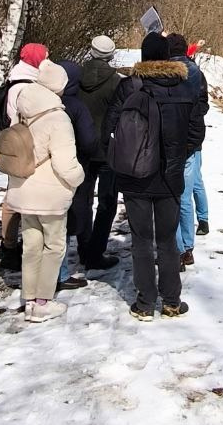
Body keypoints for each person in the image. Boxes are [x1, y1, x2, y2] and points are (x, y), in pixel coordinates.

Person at [102, 32, 204, 321]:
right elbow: (197, 133)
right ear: (168, 57)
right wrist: (179, 155)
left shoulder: (129, 86)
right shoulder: (185, 87)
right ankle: (171, 301)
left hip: (135, 175)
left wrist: (121, 159)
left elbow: (109, 130)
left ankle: (145, 303)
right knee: (168, 240)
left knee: (141, 239)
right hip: (171, 177)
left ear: (144, 56)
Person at [6, 59, 86, 323]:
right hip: (49, 194)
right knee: (53, 247)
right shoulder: (57, 117)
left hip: (23, 188)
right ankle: (43, 302)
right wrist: (78, 178)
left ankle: (29, 300)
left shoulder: (23, 108)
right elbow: (65, 163)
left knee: (30, 246)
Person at [0, 43, 49, 270]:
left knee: (15, 196)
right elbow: (23, 116)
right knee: (16, 199)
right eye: (45, 56)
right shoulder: (25, 86)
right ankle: (11, 247)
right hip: (24, 146)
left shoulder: (16, 79)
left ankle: (10, 245)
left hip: (16, 144)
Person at [76, 35, 123, 271]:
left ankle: (84, 248)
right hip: (107, 150)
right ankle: (96, 251)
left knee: (82, 199)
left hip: (81, 146)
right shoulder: (116, 82)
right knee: (107, 201)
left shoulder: (76, 77)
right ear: (110, 55)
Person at [166, 32, 210, 266]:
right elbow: (203, 105)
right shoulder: (196, 73)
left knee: (173, 197)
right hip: (191, 143)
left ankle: (178, 248)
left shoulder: (163, 74)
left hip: (172, 144)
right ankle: (187, 247)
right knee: (185, 196)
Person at [55, 58, 99, 288]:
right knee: (68, 218)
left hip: (39, 170)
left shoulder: (38, 101)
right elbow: (88, 142)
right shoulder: (76, 106)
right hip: (72, 167)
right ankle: (61, 273)